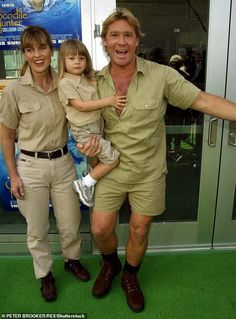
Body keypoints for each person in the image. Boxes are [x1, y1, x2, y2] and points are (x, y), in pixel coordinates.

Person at [77, 7, 236, 313]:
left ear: (137, 40)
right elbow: (75, 113)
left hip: (148, 171)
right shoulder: (92, 82)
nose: (120, 41)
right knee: (99, 229)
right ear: (105, 42)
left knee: (139, 228)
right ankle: (110, 264)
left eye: (127, 35)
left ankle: (129, 275)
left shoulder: (161, 75)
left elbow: (202, 100)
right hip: (108, 169)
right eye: (114, 35)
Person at [0, 26, 90, 302]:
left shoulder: (65, 83)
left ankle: (72, 260)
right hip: (30, 166)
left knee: (70, 222)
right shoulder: (15, 90)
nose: (37, 55)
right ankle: (45, 274)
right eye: (30, 49)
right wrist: (13, 175)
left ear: (51, 50)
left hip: (63, 163)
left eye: (42, 48)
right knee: (36, 228)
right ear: (23, 53)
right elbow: (5, 134)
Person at [57, 39, 126, 207]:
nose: (77, 62)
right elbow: (80, 106)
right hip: (84, 130)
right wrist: (109, 101)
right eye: (72, 58)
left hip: (97, 125)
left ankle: (92, 181)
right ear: (63, 61)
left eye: (81, 58)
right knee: (112, 160)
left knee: (99, 159)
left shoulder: (87, 78)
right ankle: (85, 182)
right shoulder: (65, 82)